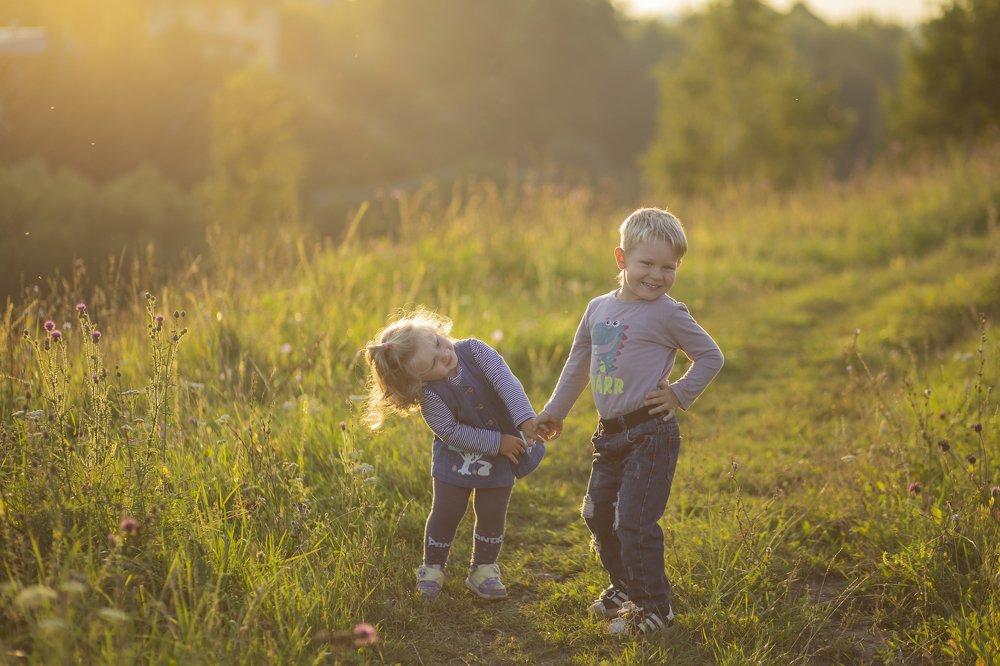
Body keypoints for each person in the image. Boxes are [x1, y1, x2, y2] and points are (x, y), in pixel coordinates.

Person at [536, 207, 723, 636]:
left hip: (650, 433)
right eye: (647, 264)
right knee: (598, 515)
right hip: (610, 435)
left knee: (633, 521)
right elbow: (579, 361)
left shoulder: (669, 314)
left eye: (668, 267)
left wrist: (678, 393)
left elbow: (711, 355)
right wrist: (555, 412)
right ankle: (625, 586)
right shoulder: (598, 308)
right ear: (621, 259)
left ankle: (656, 609)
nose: (657, 275)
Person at [364, 309, 545, 602]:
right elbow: (450, 431)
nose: (443, 354)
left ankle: (483, 569)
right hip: (459, 457)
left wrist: (525, 419)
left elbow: (506, 382)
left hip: (504, 450)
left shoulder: (475, 350)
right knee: (447, 512)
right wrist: (496, 443)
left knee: (492, 511)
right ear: (417, 381)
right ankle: (432, 567)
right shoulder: (429, 395)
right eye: (433, 362)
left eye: (438, 342)